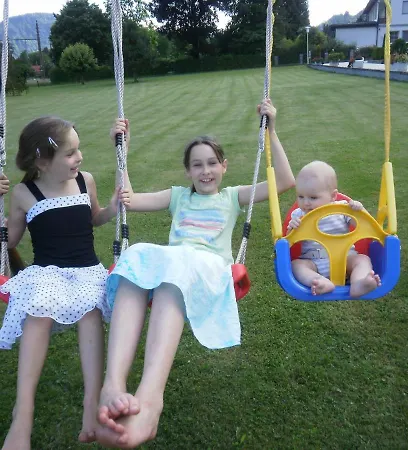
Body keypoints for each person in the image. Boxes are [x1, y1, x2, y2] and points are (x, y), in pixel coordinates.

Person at [95, 99, 295, 448]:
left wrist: (271, 131)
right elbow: (129, 199)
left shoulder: (232, 197)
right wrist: (121, 151)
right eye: (197, 165)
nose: (206, 171)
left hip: (208, 270)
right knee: (134, 258)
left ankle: (150, 400)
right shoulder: (178, 197)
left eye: (212, 163)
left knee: (175, 273)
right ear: (187, 171)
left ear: (224, 166)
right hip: (177, 264)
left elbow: (286, 181)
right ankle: (112, 384)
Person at [0, 116, 120, 450]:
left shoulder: (85, 180)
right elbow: (10, 240)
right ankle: (23, 414)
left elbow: (94, 217)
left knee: (91, 311)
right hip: (46, 272)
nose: (79, 157)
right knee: (38, 313)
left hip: (87, 270)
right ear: (42, 161)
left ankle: (91, 402)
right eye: (70, 153)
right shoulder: (24, 193)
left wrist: (112, 209)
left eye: (78, 150)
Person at [287, 160, 381, 297]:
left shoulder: (343, 209)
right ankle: (319, 281)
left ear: (332, 196)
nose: (305, 203)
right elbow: (288, 241)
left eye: (313, 197)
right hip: (314, 263)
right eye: (300, 196)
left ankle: (359, 283)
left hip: (346, 260)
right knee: (296, 265)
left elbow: (366, 225)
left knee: (362, 259)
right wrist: (292, 228)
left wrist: (359, 211)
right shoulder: (298, 215)